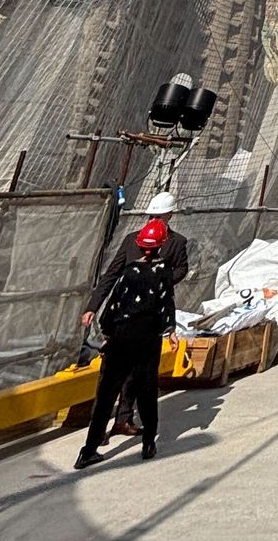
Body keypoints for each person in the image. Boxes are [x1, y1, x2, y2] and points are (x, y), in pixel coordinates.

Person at [86, 192, 191, 436]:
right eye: (153, 216)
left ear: (169, 216)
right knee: (110, 375)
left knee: (136, 375)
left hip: (148, 322)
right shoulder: (132, 240)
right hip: (125, 319)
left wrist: (160, 285)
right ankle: (98, 430)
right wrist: (93, 306)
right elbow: (111, 276)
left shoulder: (177, 243)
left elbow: (181, 271)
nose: (155, 220)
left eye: (159, 216)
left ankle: (123, 419)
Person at [75, 217, 177, 467]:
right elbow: (166, 303)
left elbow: (112, 308)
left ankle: (88, 450)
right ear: (161, 246)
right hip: (146, 338)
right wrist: (170, 329)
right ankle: (148, 444)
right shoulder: (163, 272)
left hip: (120, 337)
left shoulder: (129, 271)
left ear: (140, 246)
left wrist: (109, 332)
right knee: (147, 390)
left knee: (107, 394)